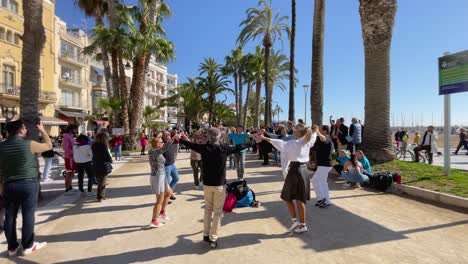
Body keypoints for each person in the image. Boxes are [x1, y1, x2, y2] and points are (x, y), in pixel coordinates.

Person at [179, 128, 254, 248]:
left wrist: (180, 139)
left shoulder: (204, 148)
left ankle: (206, 234)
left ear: (208, 137)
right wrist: (252, 141)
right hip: (219, 185)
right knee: (217, 212)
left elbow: (190, 144)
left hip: (207, 185)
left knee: (208, 210)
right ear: (219, 137)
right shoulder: (224, 148)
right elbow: (240, 146)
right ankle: (213, 238)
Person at [0, 120, 50, 256]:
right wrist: (43, 130)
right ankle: (28, 245)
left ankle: (12, 248)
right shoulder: (30, 144)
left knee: (10, 216)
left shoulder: (1, 147)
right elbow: (48, 146)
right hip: (28, 183)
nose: (26, 130)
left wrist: (2, 187)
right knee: (28, 215)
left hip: (9, 185)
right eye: (24, 128)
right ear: (21, 130)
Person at [260, 124, 317, 234]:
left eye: (295, 130)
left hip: (295, 170)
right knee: (299, 199)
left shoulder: (294, 143)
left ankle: (297, 222)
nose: (293, 131)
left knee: (288, 197)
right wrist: (315, 131)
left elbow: (280, 144)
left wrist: (265, 138)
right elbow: (313, 136)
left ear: (298, 133)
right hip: (304, 170)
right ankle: (301, 224)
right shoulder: (307, 141)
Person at [148, 136, 174, 228]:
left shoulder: (156, 151)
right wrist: (173, 138)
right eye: (161, 142)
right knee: (159, 200)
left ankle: (162, 212)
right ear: (156, 144)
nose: (162, 143)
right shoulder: (154, 152)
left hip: (162, 176)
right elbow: (165, 147)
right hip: (157, 177)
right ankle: (154, 221)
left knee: (169, 193)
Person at [311, 125, 333, 208]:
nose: (318, 131)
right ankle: (327, 201)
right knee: (323, 183)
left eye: (320, 130)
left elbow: (323, 139)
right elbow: (312, 146)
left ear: (325, 131)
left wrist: (317, 132)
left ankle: (321, 199)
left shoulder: (327, 138)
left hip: (325, 165)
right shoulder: (319, 139)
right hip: (323, 165)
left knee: (314, 180)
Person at [92, 133, 113, 202]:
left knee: (101, 181)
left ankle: (102, 196)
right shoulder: (103, 146)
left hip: (95, 165)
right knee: (102, 182)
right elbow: (107, 156)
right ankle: (99, 197)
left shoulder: (93, 146)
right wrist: (110, 160)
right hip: (103, 166)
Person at [162, 131, 178, 200]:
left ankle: (170, 193)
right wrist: (173, 138)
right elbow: (165, 146)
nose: (169, 135)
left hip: (172, 164)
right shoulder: (162, 143)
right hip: (166, 166)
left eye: (169, 134)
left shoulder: (170, 142)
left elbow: (177, 142)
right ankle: (166, 198)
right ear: (163, 136)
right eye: (167, 134)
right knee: (167, 183)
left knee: (176, 178)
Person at [62, 125, 77, 193]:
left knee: (72, 172)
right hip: (69, 157)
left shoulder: (70, 136)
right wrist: (72, 153)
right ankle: (67, 187)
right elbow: (66, 147)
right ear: (71, 129)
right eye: (75, 129)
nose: (76, 130)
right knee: (69, 172)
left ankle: (70, 186)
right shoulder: (66, 136)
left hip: (72, 157)